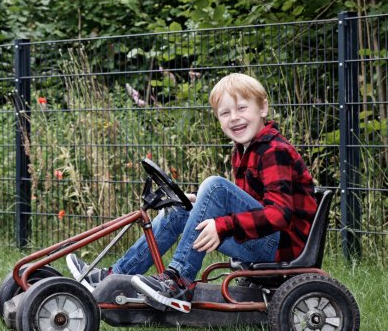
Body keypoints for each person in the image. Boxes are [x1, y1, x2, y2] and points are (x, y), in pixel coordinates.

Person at [67, 73, 318, 312]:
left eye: (242, 108)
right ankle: (112, 278)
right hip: (262, 238)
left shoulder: (274, 150)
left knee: (215, 185)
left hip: (281, 247)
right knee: (179, 212)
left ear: (262, 108)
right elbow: (252, 203)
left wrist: (224, 223)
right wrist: (203, 207)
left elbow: (279, 215)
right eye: (225, 113)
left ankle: (178, 280)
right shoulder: (244, 150)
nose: (234, 118)